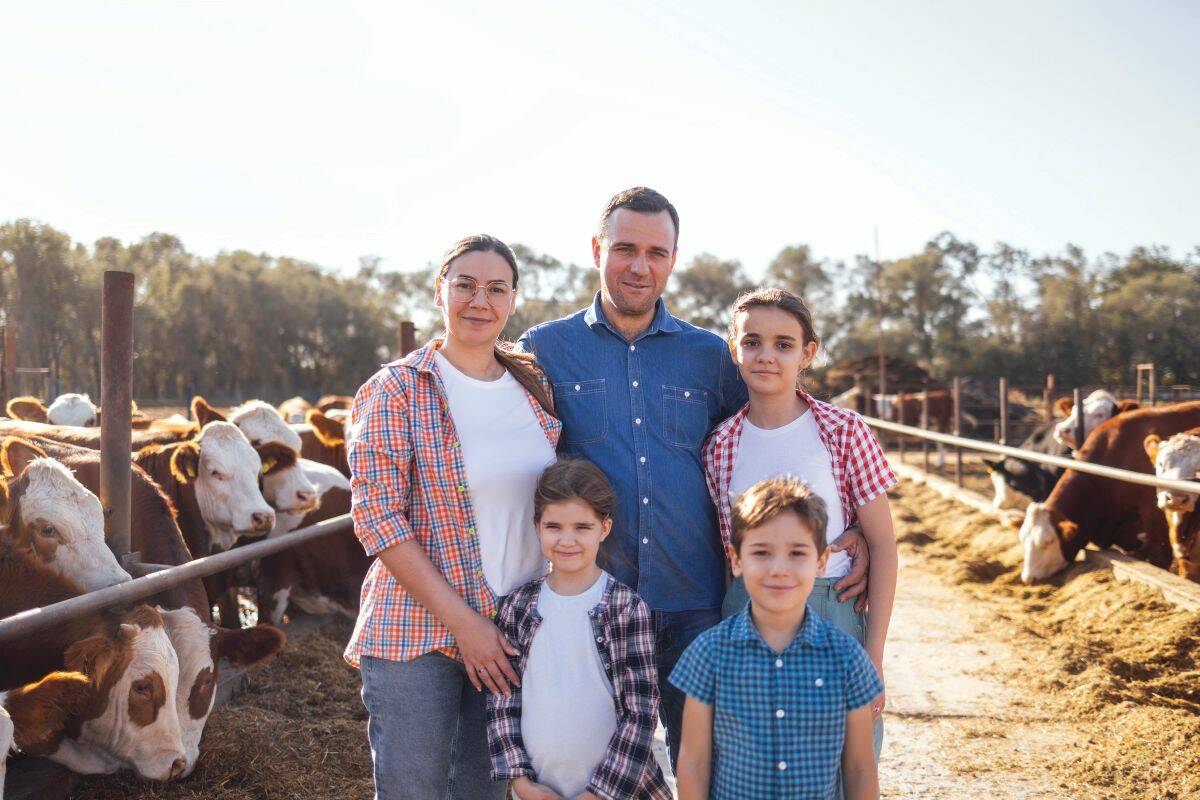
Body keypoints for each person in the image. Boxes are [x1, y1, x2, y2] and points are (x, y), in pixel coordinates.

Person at [516, 186, 872, 763]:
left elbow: (770, 439)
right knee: (591, 765)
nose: (640, 266)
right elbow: (513, 455)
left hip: (697, 602)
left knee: (705, 764)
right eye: (625, 248)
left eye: (657, 252)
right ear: (596, 249)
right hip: (596, 601)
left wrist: (851, 527)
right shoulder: (546, 348)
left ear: (674, 259)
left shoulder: (710, 356)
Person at [344, 234, 561, 800]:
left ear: (513, 300)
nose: (479, 300)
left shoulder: (533, 390)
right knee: (412, 791)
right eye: (464, 285)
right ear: (439, 291)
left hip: (511, 632)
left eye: (495, 288)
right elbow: (378, 517)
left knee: (487, 793)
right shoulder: (397, 388)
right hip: (417, 631)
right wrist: (467, 626)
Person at [702, 286, 897, 763]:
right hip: (746, 615)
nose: (766, 355)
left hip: (831, 611)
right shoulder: (720, 446)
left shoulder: (841, 431)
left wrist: (873, 655)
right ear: (734, 348)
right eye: (752, 342)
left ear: (807, 353)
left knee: (840, 762)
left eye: (783, 344)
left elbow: (885, 546)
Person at [672, 477, 883, 800]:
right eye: (762, 552)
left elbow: (859, 769)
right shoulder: (707, 654)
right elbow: (694, 762)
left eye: (797, 553)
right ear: (736, 559)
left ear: (822, 561)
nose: (779, 569)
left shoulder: (848, 658)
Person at [487, 459, 671, 800]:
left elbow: (641, 712)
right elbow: (503, 700)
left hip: (621, 792)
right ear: (537, 525)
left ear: (605, 528)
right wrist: (521, 783)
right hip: (540, 791)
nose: (567, 540)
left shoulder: (626, 608)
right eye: (554, 526)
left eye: (582, 528)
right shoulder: (519, 606)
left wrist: (597, 794)